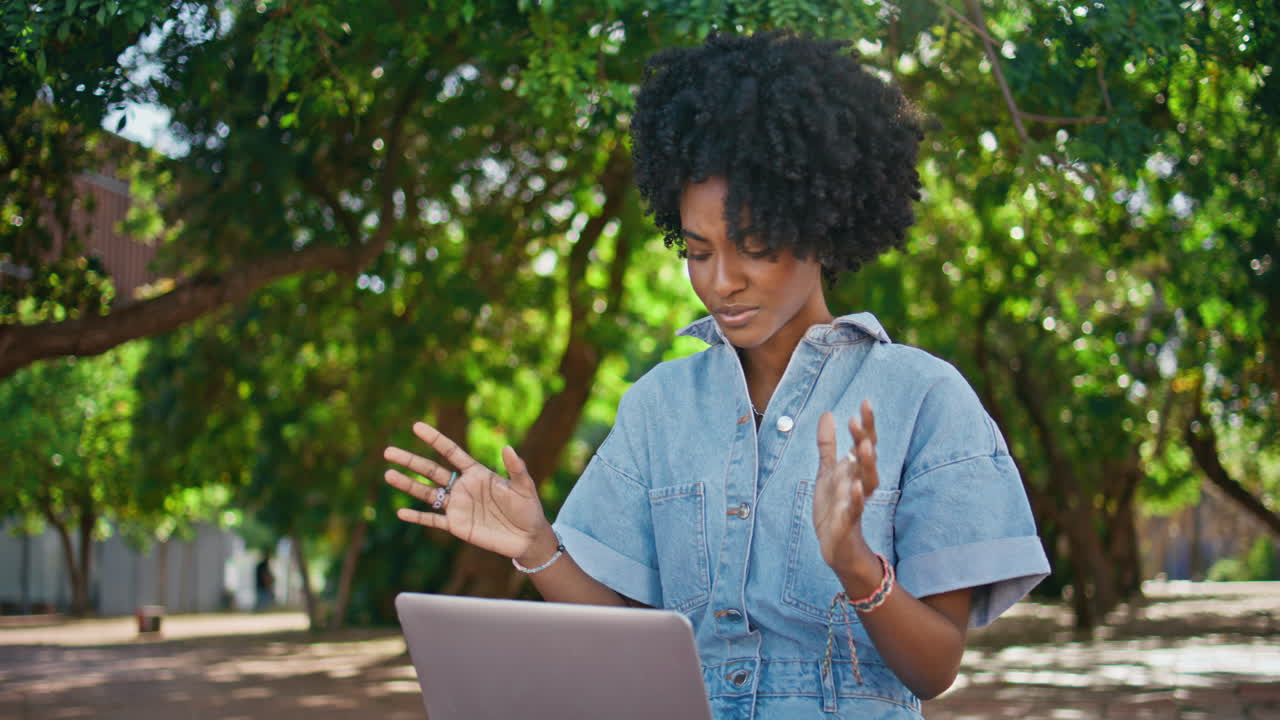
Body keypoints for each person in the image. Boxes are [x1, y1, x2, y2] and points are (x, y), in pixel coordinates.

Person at [384, 31, 1049, 718]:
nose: (722, 282)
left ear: (823, 225)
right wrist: (538, 547)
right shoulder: (658, 406)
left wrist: (855, 564)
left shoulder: (924, 398)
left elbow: (934, 669)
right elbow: (622, 641)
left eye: (754, 248)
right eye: (697, 252)